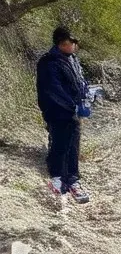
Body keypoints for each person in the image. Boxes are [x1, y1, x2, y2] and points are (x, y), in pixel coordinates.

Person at [36, 26, 92, 204]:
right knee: (59, 143)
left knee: (74, 144)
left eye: (74, 43)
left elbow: (78, 81)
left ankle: (73, 179)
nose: (73, 46)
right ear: (60, 43)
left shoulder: (72, 59)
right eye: (69, 43)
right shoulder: (48, 62)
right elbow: (53, 89)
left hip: (73, 110)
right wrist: (72, 105)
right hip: (57, 110)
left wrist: (87, 93)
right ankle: (57, 178)